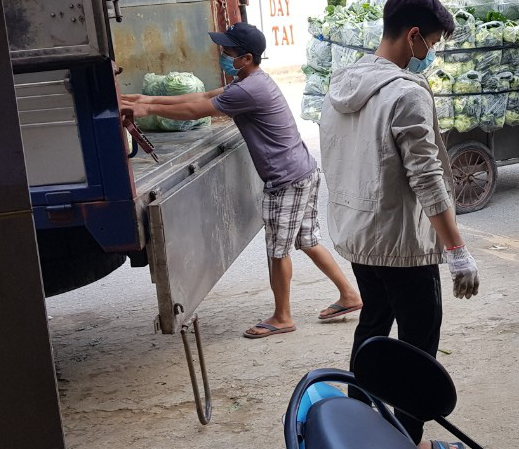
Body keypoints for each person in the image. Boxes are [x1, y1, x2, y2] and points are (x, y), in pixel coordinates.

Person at [120, 23, 363, 339]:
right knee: (308, 241)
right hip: (302, 171)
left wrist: (141, 109)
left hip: (286, 178)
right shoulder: (251, 80)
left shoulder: (247, 90)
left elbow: (196, 110)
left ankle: (282, 316)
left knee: (278, 250)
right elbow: (204, 95)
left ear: (246, 58)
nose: (223, 55)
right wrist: (142, 101)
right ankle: (349, 295)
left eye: (228, 52)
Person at [320, 0, 480, 449]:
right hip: (402, 245)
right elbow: (428, 178)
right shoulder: (405, 94)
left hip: (358, 235)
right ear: (412, 36)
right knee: (417, 345)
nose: (429, 52)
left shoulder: (342, 83)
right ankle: (408, 447)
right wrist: (457, 250)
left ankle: (358, 425)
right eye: (430, 42)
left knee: (372, 327)